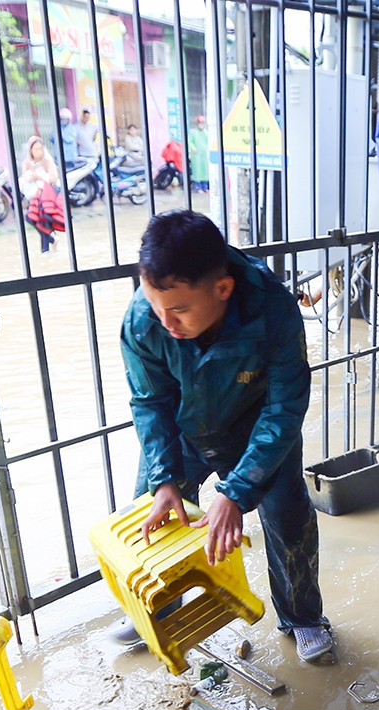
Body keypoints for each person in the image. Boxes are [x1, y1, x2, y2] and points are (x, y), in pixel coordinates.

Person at [120, 211, 336, 663]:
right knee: (154, 508)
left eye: (179, 310)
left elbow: (286, 405)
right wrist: (162, 479)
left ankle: (302, 616)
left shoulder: (271, 306)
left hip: (255, 425)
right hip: (184, 427)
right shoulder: (145, 319)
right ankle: (157, 610)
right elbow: (150, 402)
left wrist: (235, 492)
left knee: (287, 512)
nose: (167, 323)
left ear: (221, 289)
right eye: (158, 307)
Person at [20, 134, 64, 254]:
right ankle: (52, 239)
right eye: (36, 149)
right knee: (31, 218)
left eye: (41, 148)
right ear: (30, 150)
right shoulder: (27, 163)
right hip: (34, 197)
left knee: (42, 221)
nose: (39, 152)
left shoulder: (47, 162)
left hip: (47, 198)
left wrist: (38, 176)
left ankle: (46, 251)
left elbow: (54, 179)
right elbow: (24, 178)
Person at [188, 115, 211, 191]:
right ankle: (198, 187)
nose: (201, 124)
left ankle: (205, 187)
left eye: (202, 123)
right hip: (196, 156)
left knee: (205, 171)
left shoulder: (206, 133)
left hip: (204, 155)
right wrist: (193, 148)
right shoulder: (193, 133)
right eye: (199, 123)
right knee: (197, 172)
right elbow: (189, 142)